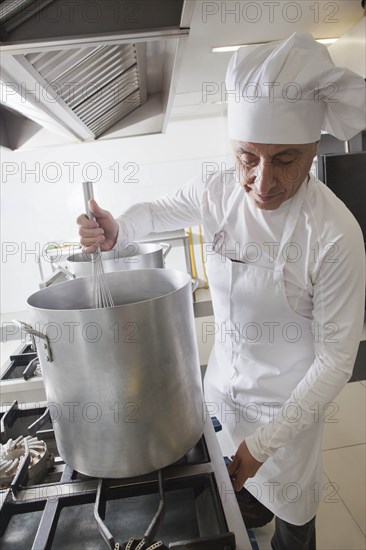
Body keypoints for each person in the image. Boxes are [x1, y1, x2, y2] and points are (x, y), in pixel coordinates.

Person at [78, 33, 366, 549]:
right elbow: (153, 213)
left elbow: (335, 362)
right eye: (247, 157)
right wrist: (116, 228)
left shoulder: (335, 233)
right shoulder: (217, 190)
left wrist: (262, 447)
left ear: (315, 146)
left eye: (285, 159)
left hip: (288, 413)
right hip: (223, 397)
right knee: (232, 510)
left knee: (295, 523)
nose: (261, 182)